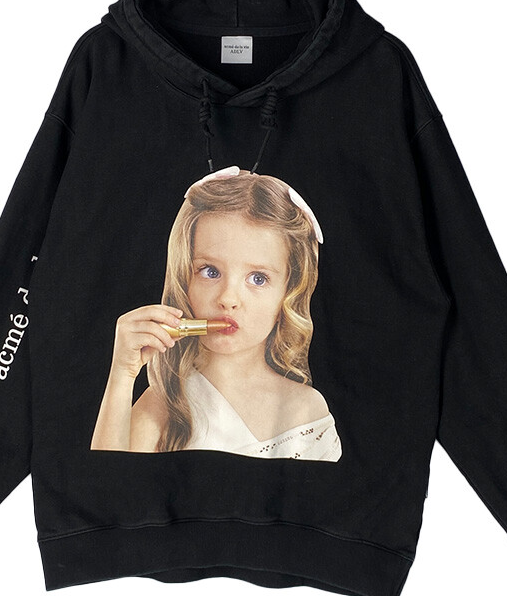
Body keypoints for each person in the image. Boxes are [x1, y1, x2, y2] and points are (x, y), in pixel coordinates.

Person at [91, 166, 343, 460]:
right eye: (210, 271)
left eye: (258, 278)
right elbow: (105, 483)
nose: (228, 299)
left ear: (289, 292)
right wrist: (122, 375)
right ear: (184, 279)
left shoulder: (307, 409)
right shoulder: (164, 406)